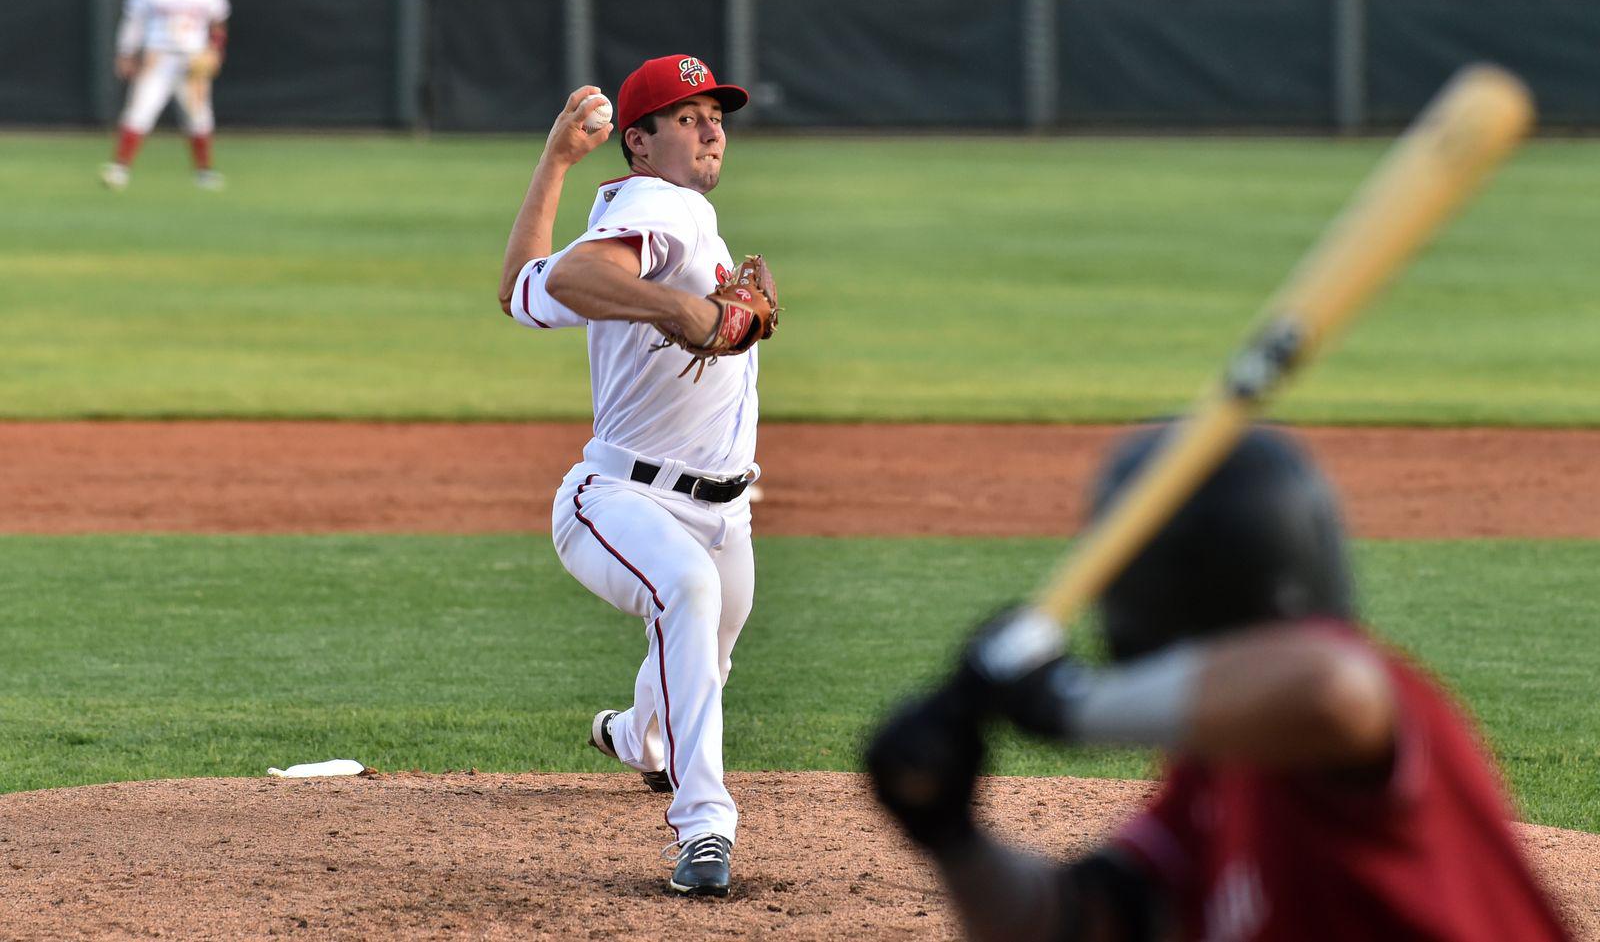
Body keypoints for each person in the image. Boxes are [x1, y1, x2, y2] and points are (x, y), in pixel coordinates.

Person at [867, 425, 1570, 942]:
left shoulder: (1359, 702)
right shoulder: (1215, 774)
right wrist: (951, 836)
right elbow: (1077, 921)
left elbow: (1331, 686)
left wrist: (1068, 704)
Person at [497, 54, 770, 897]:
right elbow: (578, 274)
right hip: (617, 498)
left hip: (724, 510)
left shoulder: (657, 213)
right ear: (640, 143)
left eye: (714, 112)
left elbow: (520, 290)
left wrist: (553, 163)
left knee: (706, 638)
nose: (711, 125)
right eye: (686, 117)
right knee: (686, 592)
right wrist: (689, 311)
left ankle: (636, 737)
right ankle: (705, 830)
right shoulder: (663, 206)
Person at [101, 0, 230, 191]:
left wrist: (215, 49)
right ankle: (119, 168)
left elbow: (218, 21)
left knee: (199, 117)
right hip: (157, 58)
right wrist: (126, 52)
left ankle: (204, 172)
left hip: (192, 60)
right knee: (139, 112)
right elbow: (133, 20)